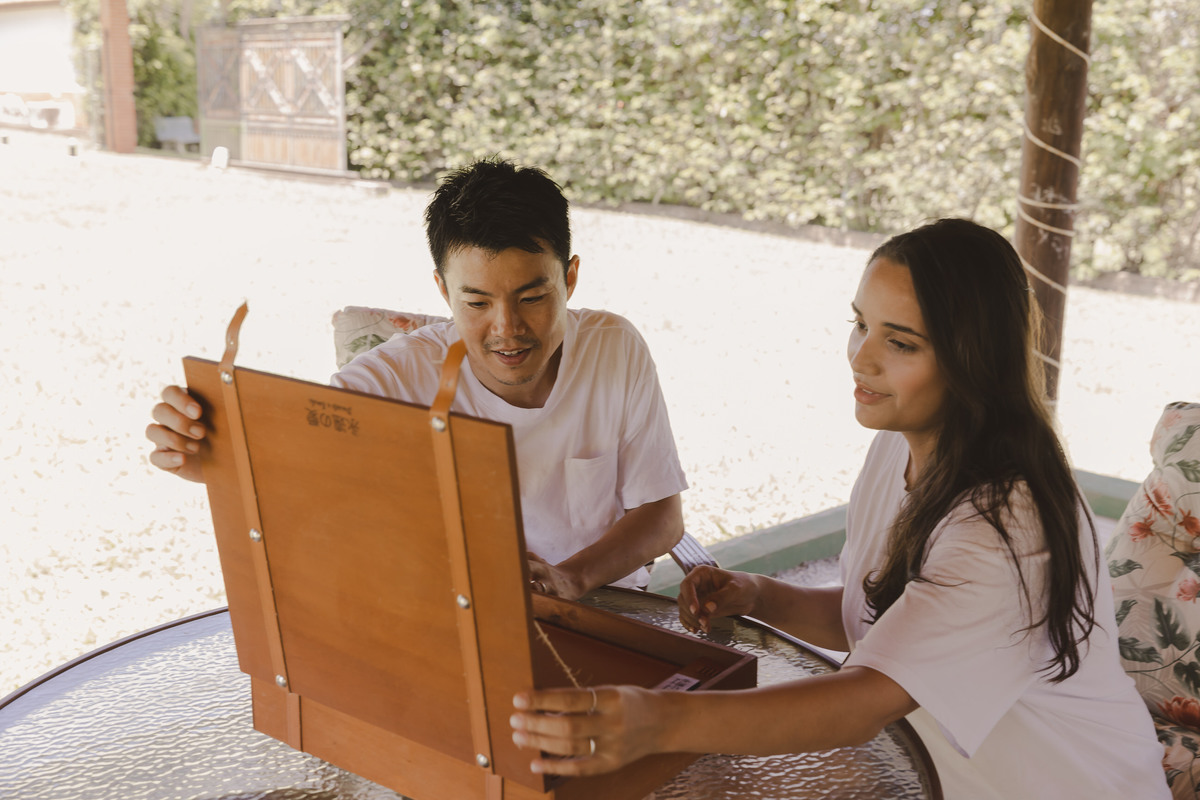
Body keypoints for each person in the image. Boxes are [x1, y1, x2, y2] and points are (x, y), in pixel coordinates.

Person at [509, 218, 1170, 799]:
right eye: (860, 324)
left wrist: (654, 721)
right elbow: (881, 619)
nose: (861, 357)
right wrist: (762, 594)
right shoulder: (899, 445)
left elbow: (863, 704)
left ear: (974, 360)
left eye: (900, 343)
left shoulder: (1008, 531)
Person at [146, 158, 686, 600]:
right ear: (443, 291)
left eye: (533, 297)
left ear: (569, 278)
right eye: (476, 302)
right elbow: (295, 458)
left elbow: (661, 516)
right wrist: (209, 454)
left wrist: (571, 578)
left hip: (606, 605)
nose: (507, 329)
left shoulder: (615, 348)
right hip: (459, 615)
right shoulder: (396, 377)